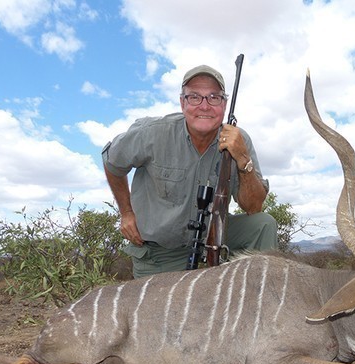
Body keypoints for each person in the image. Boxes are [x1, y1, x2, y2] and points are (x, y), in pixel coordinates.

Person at [102, 64, 278, 278]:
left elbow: (254, 206)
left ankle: (254, 299)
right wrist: (127, 213)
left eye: (214, 97)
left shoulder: (238, 140)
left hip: (214, 238)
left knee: (263, 225)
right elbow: (112, 163)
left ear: (224, 104)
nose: (204, 106)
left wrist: (242, 159)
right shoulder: (152, 133)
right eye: (194, 97)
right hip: (161, 253)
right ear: (182, 102)